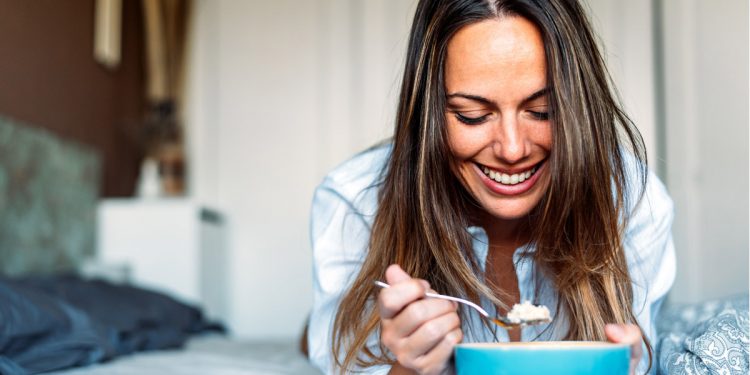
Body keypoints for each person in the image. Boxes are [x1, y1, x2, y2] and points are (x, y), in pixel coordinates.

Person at [308, 0, 675, 374]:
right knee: (312, 338)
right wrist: (409, 368)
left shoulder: (634, 200)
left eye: (543, 111)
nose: (513, 149)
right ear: (429, 114)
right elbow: (343, 360)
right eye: (473, 116)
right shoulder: (352, 201)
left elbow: (638, 351)